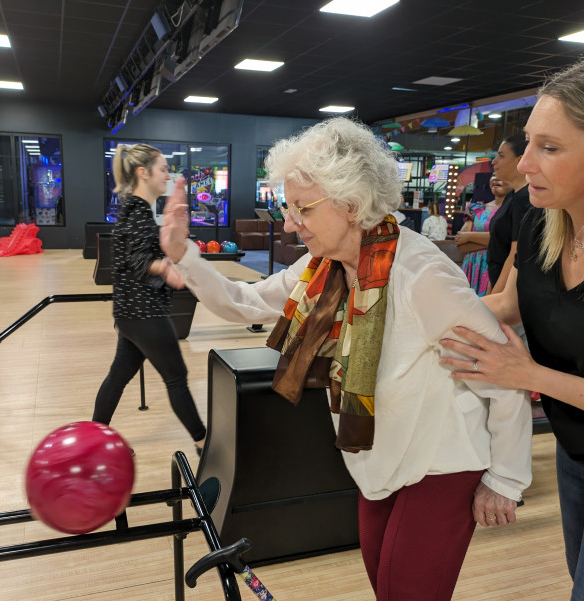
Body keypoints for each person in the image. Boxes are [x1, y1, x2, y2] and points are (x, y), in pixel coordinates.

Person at [159, 118, 532, 601]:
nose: (290, 222)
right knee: (386, 586)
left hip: (443, 461)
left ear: (351, 205)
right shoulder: (324, 268)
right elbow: (243, 302)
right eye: (287, 207)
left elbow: (501, 375)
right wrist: (183, 254)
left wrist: (505, 478)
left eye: (302, 208)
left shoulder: (422, 276)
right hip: (375, 459)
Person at [440, 54, 584, 601]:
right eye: (528, 143)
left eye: (549, 148)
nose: (524, 164)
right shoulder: (540, 221)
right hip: (578, 452)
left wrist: (531, 374)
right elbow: (509, 304)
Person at [92, 143, 206, 457]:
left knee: (117, 377)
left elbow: (137, 255)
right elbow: (138, 260)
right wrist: (168, 269)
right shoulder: (137, 212)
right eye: (163, 169)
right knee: (177, 378)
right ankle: (203, 442)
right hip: (145, 314)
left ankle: (95, 435)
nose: (167, 175)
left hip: (131, 314)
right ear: (143, 173)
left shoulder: (134, 210)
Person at [485, 134, 530, 294]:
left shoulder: (525, 199)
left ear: (519, 160)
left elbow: (514, 255)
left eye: (501, 156)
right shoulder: (512, 196)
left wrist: (496, 296)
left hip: (511, 292)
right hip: (498, 282)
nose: (494, 161)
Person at [455, 174, 512, 296]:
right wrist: (493, 240)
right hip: (472, 266)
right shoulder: (475, 209)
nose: (496, 178)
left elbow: (507, 241)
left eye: (501, 174)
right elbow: (460, 242)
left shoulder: (513, 210)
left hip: (496, 267)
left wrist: (470, 237)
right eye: (493, 175)